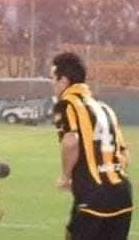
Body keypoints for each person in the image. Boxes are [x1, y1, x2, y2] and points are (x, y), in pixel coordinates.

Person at [52, 52, 133, 239]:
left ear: (63, 80)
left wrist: (66, 176)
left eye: (52, 79)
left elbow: (71, 141)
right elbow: (124, 154)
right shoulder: (105, 108)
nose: (52, 84)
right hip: (122, 195)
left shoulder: (67, 104)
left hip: (93, 197)